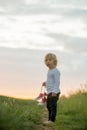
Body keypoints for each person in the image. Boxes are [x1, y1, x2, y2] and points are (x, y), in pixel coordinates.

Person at [42, 53, 60, 124]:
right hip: (49, 92)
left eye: (50, 60)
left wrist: (55, 91)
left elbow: (57, 82)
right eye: (46, 60)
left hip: (54, 92)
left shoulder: (56, 71)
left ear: (54, 61)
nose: (47, 62)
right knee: (48, 106)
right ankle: (49, 119)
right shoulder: (49, 71)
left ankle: (52, 120)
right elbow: (50, 80)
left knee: (53, 106)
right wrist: (46, 82)